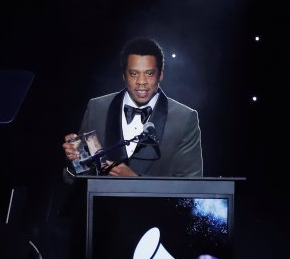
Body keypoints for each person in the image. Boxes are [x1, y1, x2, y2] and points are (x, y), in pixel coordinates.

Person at [62, 37, 203, 177]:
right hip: (100, 199)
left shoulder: (184, 119)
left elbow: (191, 188)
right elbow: (77, 179)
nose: (141, 82)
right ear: (124, 75)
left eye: (149, 73)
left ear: (160, 75)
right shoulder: (97, 108)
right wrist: (74, 162)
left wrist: (135, 183)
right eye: (134, 73)